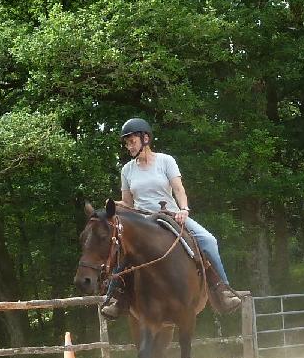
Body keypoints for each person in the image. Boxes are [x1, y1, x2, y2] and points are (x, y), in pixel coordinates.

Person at [101, 117, 242, 318]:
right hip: (143, 221)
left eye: (132, 141)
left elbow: (178, 188)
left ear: (145, 139)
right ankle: (116, 298)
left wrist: (183, 209)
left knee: (209, 241)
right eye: (126, 143)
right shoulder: (127, 170)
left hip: (171, 215)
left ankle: (223, 290)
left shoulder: (166, 161)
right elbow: (128, 203)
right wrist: (112, 205)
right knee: (121, 250)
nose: (129, 146)